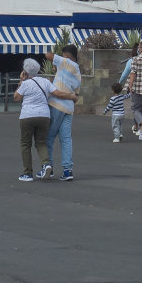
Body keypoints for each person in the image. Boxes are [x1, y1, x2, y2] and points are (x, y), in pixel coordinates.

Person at [39, 45, 80, 182]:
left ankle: (48, 167)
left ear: (66, 55)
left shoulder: (66, 62)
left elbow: (48, 55)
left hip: (56, 105)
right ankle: (68, 170)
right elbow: (76, 94)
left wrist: (59, 59)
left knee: (49, 137)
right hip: (69, 109)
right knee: (66, 139)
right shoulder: (77, 70)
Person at [14, 58, 53, 182]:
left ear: (25, 72)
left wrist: (21, 81)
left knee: (25, 144)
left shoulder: (25, 83)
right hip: (44, 115)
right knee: (41, 142)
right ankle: (46, 164)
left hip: (27, 116)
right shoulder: (45, 81)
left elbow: (16, 97)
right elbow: (55, 92)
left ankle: (27, 173)